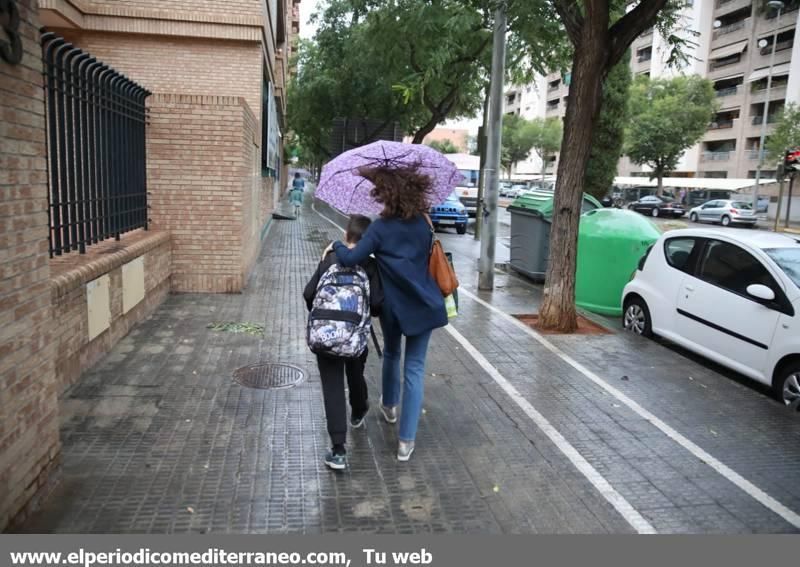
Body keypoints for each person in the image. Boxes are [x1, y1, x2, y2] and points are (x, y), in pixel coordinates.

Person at [329, 165, 447, 462]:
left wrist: (335, 245)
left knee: (392, 353)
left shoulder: (380, 228)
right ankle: (406, 442)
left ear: (387, 193)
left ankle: (389, 407)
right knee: (416, 368)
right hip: (424, 304)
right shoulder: (423, 222)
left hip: (393, 307)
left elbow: (352, 257)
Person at [303, 215, 383, 470]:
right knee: (355, 367)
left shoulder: (330, 257)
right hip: (355, 336)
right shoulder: (370, 266)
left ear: (347, 235)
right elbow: (379, 305)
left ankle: (338, 450)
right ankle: (359, 409)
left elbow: (308, 293)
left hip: (326, 334)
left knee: (332, 386)